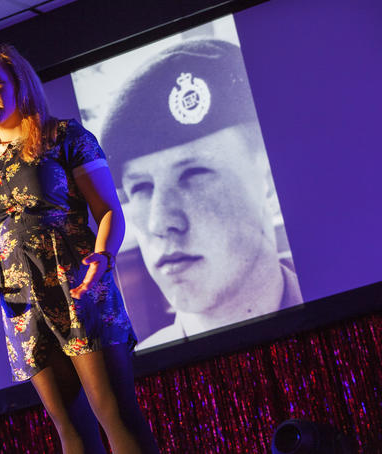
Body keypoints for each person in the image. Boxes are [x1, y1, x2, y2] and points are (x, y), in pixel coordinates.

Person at [0, 44, 159, 454]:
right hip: (24, 310)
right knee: (71, 430)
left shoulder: (64, 137)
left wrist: (103, 256)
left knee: (114, 415)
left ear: (22, 86)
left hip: (80, 293)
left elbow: (108, 212)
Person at [100, 39, 303, 348]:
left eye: (194, 174)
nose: (160, 221)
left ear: (269, 183)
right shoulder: (143, 381)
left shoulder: (347, 308)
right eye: (141, 187)